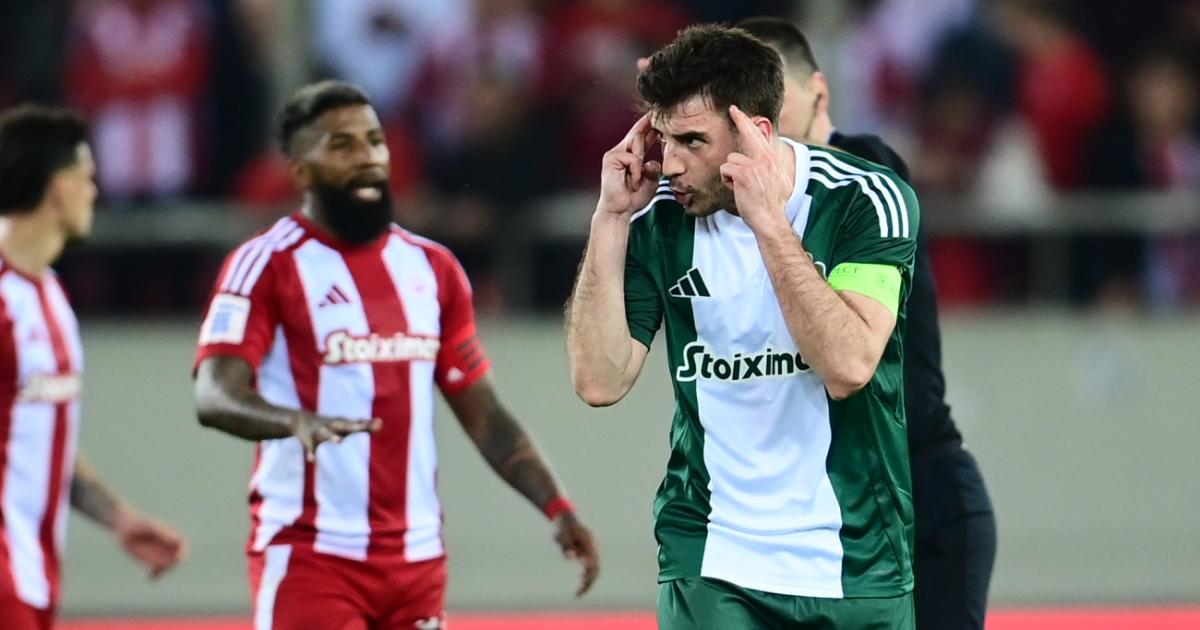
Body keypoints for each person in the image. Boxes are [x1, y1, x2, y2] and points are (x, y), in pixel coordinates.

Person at [192, 80, 599, 630]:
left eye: (374, 141)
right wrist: (293, 421)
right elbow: (214, 393)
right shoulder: (267, 264)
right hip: (312, 553)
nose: (366, 157)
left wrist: (557, 506)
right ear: (301, 171)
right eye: (342, 146)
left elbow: (484, 416)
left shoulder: (432, 268)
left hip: (417, 561)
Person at [568, 25, 919, 629]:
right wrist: (610, 219)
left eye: (692, 141)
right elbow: (600, 380)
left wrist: (769, 225)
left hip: (858, 558)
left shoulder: (864, 200)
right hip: (710, 556)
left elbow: (849, 366)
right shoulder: (657, 222)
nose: (669, 163)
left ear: (756, 133)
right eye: (663, 137)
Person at [738, 16, 997, 630]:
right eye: (739, 107)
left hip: (922, 498)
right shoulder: (752, 211)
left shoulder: (870, 174)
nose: (758, 122)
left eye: (772, 98)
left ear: (819, 91)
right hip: (833, 513)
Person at [0, 104, 188, 630]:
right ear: (59, 189)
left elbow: (40, 435)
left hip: (33, 573)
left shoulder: (50, 293)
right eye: (87, 178)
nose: (95, 193)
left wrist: (119, 520)